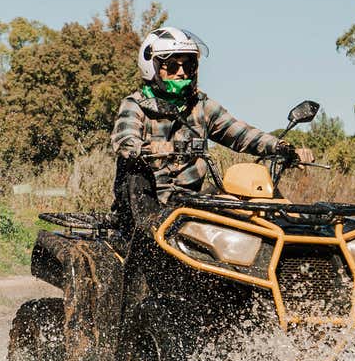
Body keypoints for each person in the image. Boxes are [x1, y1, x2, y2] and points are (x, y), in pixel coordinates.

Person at [110, 26, 314, 237]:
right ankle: (148, 244)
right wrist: (156, 147)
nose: (182, 72)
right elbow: (125, 141)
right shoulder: (136, 105)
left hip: (189, 202)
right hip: (147, 206)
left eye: (188, 65)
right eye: (172, 66)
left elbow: (241, 133)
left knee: (247, 205)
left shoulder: (200, 105)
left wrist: (282, 148)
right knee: (135, 172)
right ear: (152, 68)